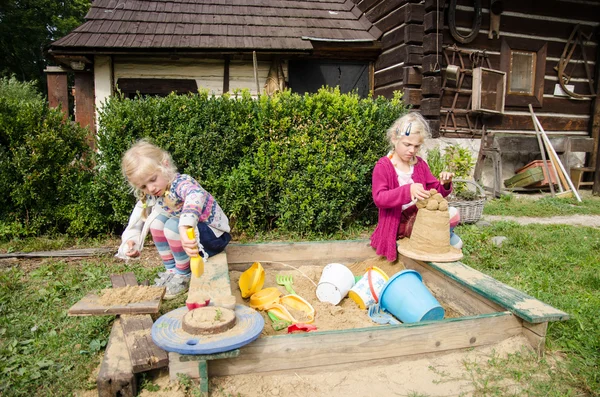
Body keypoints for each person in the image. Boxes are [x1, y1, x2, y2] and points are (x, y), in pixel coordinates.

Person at [116, 139, 231, 299]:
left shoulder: (181, 183)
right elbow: (137, 222)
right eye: (143, 186)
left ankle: (183, 275)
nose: (150, 188)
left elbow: (196, 195)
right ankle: (172, 270)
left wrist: (184, 227)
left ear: (165, 165)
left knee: (171, 225)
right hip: (190, 241)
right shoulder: (152, 195)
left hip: (213, 237)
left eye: (153, 179)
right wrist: (132, 241)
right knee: (156, 222)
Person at [370, 112, 462, 262]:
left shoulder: (420, 165)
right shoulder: (384, 166)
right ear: (394, 139)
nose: (412, 150)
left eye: (416, 146)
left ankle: (447, 239)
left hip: (419, 217)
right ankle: (447, 239)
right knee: (448, 228)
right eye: (407, 145)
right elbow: (380, 198)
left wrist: (444, 184)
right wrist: (408, 190)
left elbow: (433, 191)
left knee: (452, 214)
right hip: (398, 223)